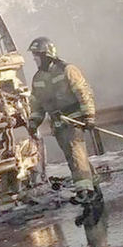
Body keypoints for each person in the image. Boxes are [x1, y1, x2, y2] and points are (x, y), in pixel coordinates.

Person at [26, 37, 99, 202]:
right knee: (72, 155)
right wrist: (33, 122)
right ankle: (92, 182)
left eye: (37, 55)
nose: (35, 59)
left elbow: (83, 92)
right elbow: (37, 104)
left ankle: (85, 192)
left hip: (73, 119)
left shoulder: (67, 70)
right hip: (57, 123)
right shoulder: (38, 78)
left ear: (47, 55)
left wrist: (89, 116)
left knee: (75, 151)